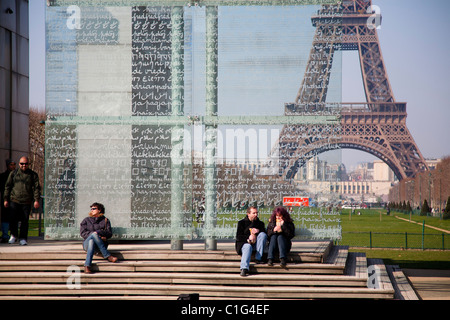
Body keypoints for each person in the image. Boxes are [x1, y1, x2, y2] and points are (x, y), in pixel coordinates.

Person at [3, 156, 40, 245]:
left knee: (24, 220)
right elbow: (7, 187)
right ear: (19, 164)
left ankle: (23, 238)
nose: (24, 165)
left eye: (26, 164)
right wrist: (6, 199)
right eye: (22, 164)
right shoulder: (13, 174)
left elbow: (36, 188)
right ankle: (13, 235)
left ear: (28, 164)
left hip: (26, 201)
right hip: (14, 200)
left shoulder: (32, 174)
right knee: (13, 219)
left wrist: (36, 200)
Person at [80, 202, 118, 273]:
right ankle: (107, 256)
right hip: (86, 244)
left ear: (99, 210)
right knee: (93, 236)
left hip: (100, 245)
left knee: (93, 239)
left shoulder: (105, 220)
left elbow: (109, 233)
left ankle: (87, 266)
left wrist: (98, 233)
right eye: (91, 209)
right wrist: (94, 234)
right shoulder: (86, 220)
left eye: (94, 208)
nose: (92, 210)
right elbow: (83, 233)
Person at [235, 206, 267, 277]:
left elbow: (265, 235)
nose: (256, 215)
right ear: (248, 214)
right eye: (254, 213)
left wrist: (258, 232)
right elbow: (238, 237)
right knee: (248, 246)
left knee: (262, 234)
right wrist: (248, 238)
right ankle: (244, 268)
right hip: (245, 244)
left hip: (256, 245)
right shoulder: (241, 223)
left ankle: (258, 258)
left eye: (256, 213)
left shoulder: (260, 224)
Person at [0, 159, 16, 243]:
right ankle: (5, 235)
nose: (13, 166)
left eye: (14, 164)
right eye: (11, 165)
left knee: (14, 218)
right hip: (5, 200)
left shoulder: (17, 176)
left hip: (15, 200)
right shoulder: (3, 176)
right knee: (5, 218)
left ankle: (13, 235)